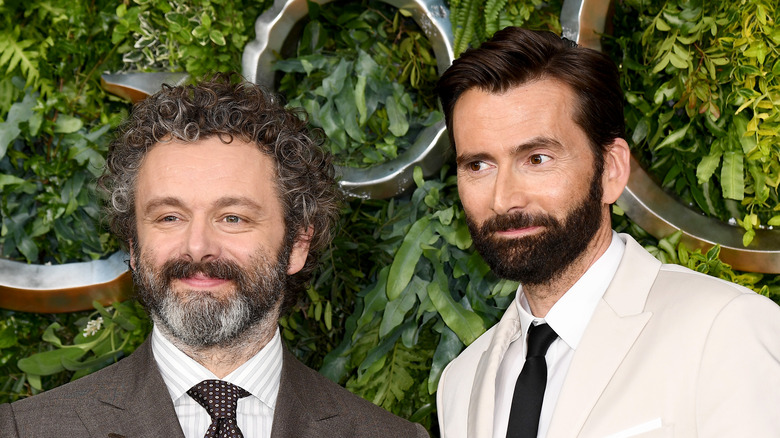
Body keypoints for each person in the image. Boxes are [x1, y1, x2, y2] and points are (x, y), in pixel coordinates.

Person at [0, 75, 429, 438]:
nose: (197, 246)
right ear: (133, 246)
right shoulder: (26, 430)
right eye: (169, 217)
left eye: (233, 217)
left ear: (297, 244)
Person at [434, 27, 780, 438]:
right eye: (478, 166)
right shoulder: (460, 383)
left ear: (611, 169)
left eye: (537, 158)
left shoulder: (723, 330)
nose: (504, 198)